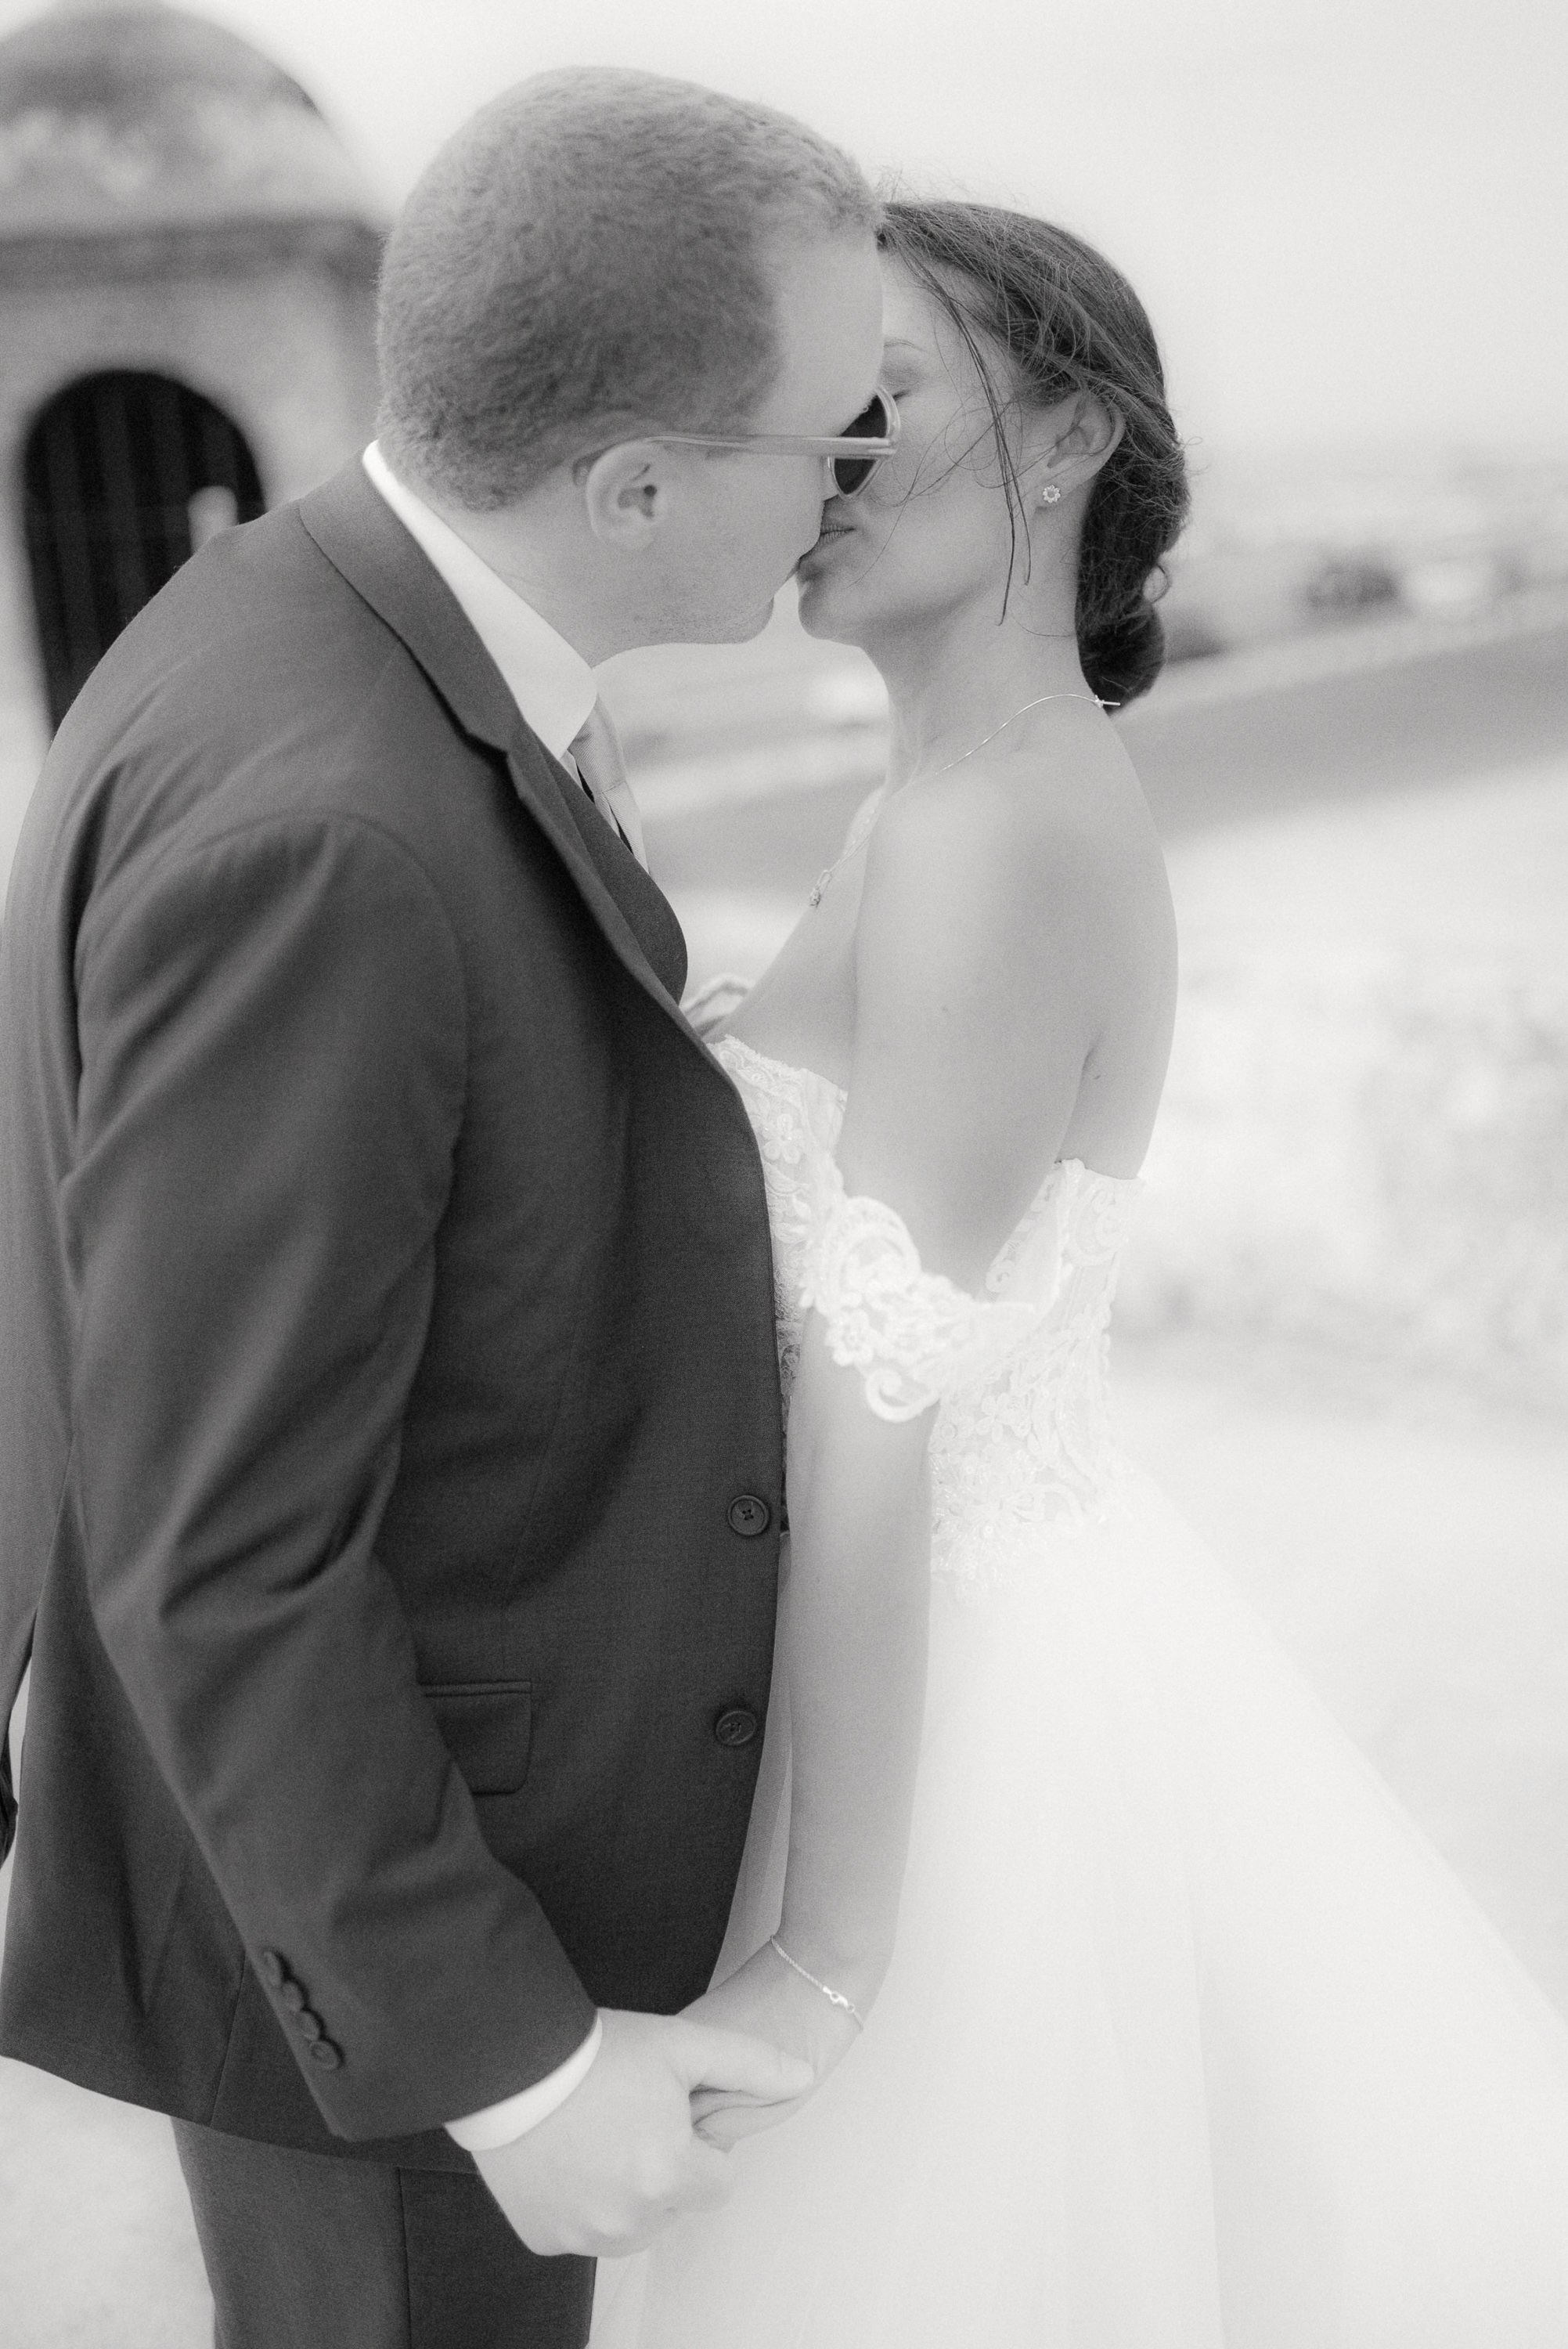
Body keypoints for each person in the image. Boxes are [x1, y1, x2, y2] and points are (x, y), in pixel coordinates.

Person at [590, 200, 1568, 2347]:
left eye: (883, 399)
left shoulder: (994, 829)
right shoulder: (939, 794)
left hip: (930, 1739)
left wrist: (825, 1958)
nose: (816, 457)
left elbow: (874, 1395)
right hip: (921, 1648)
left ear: (1059, 443)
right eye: (796, 408)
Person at [0, 68, 896, 2349]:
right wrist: (509, 2062)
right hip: (410, 1993)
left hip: (378, 1918)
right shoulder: (339, 832)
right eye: (830, 434)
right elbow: (221, 1546)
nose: (851, 482)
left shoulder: (299, 620)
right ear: (633, 482)